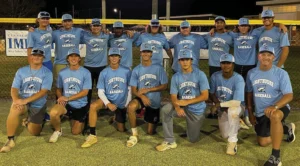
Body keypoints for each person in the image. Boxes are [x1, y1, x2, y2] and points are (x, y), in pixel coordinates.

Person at [246, 45, 296, 166]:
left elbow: (289, 95)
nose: (266, 57)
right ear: (259, 56)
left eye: (269, 55)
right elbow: (249, 93)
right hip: (260, 112)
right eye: (263, 54)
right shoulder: (251, 73)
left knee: (275, 116)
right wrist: (250, 113)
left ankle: (275, 157)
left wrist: (275, 106)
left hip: (278, 108)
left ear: (273, 57)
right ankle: (286, 128)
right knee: (263, 142)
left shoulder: (281, 73)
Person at [156, 49, 209, 151]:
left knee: (192, 139)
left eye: (187, 59)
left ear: (191, 61)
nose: (185, 62)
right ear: (179, 61)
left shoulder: (200, 74)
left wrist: (186, 102)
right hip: (183, 107)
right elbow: (173, 96)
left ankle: (193, 127)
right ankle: (169, 140)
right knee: (166, 110)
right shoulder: (176, 77)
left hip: (196, 110)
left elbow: (205, 96)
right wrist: (177, 107)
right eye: (182, 60)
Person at [0, 48, 53, 152]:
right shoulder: (21, 71)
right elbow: (14, 88)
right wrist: (16, 100)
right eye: (35, 55)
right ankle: (10, 140)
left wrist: (26, 100)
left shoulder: (47, 73)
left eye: (39, 56)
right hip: (22, 102)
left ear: (43, 58)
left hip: (38, 105)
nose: (37, 57)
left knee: (35, 132)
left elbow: (43, 91)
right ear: (31, 57)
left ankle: (29, 120)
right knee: (15, 108)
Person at [81, 48, 131, 148]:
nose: (114, 58)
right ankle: (92, 135)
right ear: (108, 58)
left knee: (121, 129)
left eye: (116, 56)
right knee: (93, 106)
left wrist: (126, 103)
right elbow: (100, 91)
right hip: (109, 99)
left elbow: (130, 88)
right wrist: (108, 103)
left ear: (120, 57)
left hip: (121, 101)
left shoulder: (126, 71)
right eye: (112, 56)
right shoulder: (104, 72)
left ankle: (116, 117)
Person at [126, 43, 168, 147]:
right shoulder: (136, 70)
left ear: (151, 54)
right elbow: (133, 90)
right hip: (141, 99)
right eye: (144, 52)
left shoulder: (158, 68)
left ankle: (149, 117)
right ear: (140, 53)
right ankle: (134, 134)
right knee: (131, 107)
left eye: (148, 52)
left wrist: (149, 89)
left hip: (154, 101)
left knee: (150, 132)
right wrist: (142, 96)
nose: (145, 54)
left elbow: (164, 86)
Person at [48, 48, 91, 143]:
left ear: (79, 58)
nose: (73, 58)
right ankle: (57, 131)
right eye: (71, 56)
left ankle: (79, 117)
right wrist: (60, 98)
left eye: (76, 56)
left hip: (80, 104)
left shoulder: (86, 72)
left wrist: (67, 98)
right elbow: (58, 89)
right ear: (67, 59)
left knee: (76, 132)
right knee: (53, 113)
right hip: (66, 103)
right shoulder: (62, 72)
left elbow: (85, 92)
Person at [209, 53, 245, 155]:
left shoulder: (238, 79)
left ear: (233, 64)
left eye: (228, 63)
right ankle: (238, 123)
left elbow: (236, 102)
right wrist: (216, 103)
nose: (226, 65)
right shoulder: (215, 76)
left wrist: (218, 105)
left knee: (232, 111)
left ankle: (232, 142)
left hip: (238, 106)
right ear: (220, 64)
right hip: (222, 106)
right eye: (223, 63)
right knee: (225, 135)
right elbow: (211, 93)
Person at [81, 18, 110, 106]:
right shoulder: (85, 36)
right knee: (87, 89)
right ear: (91, 26)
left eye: (98, 26)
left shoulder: (106, 35)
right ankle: (86, 108)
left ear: (101, 27)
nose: (96, 28)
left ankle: (99, 108)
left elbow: (117, 35)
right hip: (88, 66)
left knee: (101, 90)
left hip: (101, 67)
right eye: (94, 26)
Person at [52, 14, 83, 85]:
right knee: (60, 85)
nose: (67, 23)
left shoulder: (79, 31)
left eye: (69, 21)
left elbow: (91, 34)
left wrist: (103, 31)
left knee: (73, 83)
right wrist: (33, 30)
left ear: (72, 22)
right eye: (65, 21)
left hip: (74, 62)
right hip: (60, 63)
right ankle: (59, 97)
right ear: (62, 23)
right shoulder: (56, 33)